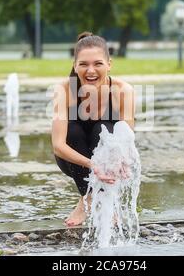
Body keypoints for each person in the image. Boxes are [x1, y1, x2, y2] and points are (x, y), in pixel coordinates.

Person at [51, 31, 135, 227]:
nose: (91, 71)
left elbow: (127, 138)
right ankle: (88, 198)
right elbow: (58, 145)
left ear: (109, 64)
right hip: (72, 161)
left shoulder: (124, 91)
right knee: (74, 131)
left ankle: (105, 203)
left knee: (103, 128)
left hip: (109, 160)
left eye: (98, 64)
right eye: (83, 64)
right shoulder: (64, 90)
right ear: (75, 65)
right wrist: (92, 165)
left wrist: (123, 161)